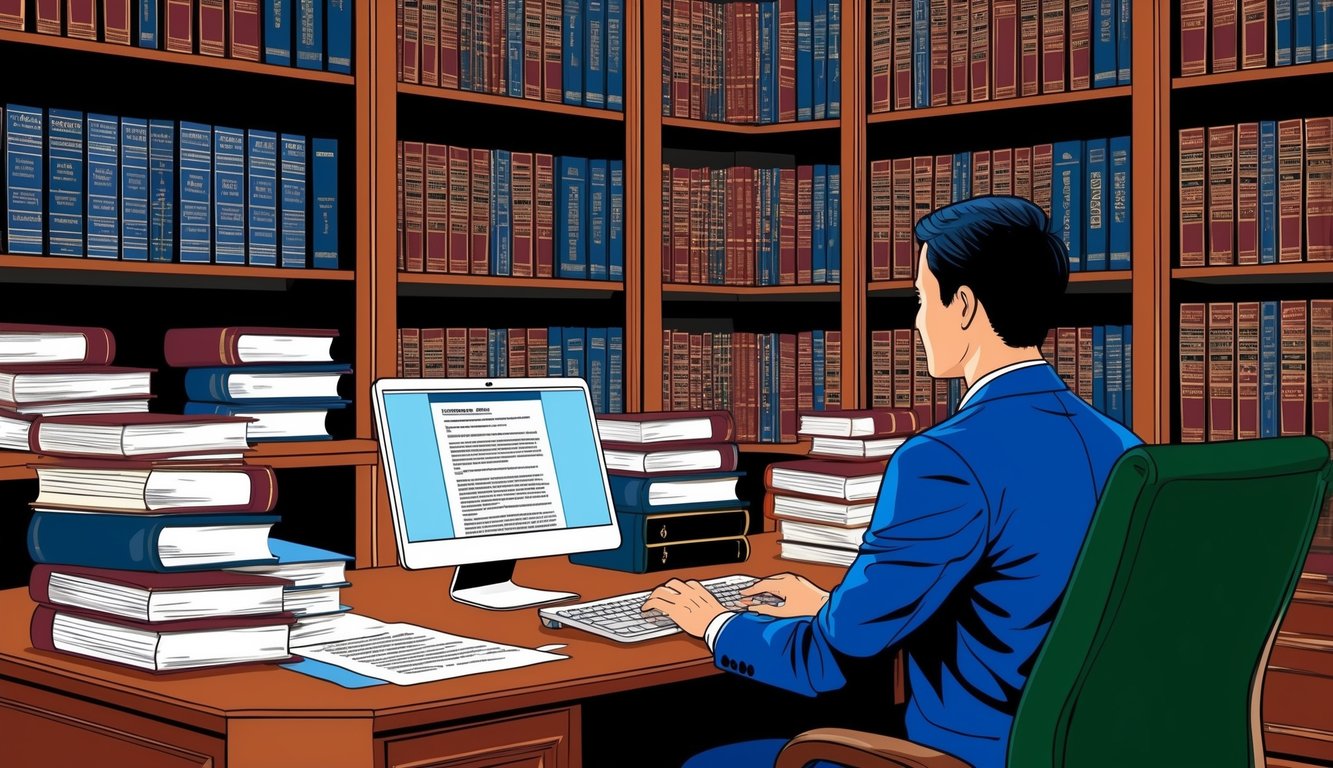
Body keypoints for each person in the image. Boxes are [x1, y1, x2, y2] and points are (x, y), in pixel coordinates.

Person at [642, 196, 1143, 768]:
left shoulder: (944, 460)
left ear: (963, 306)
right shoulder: (1122, 448)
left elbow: (822, 664)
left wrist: (716, 624)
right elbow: (1020, 599)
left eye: (921, 299)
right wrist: (835, 605)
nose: (916, 321)